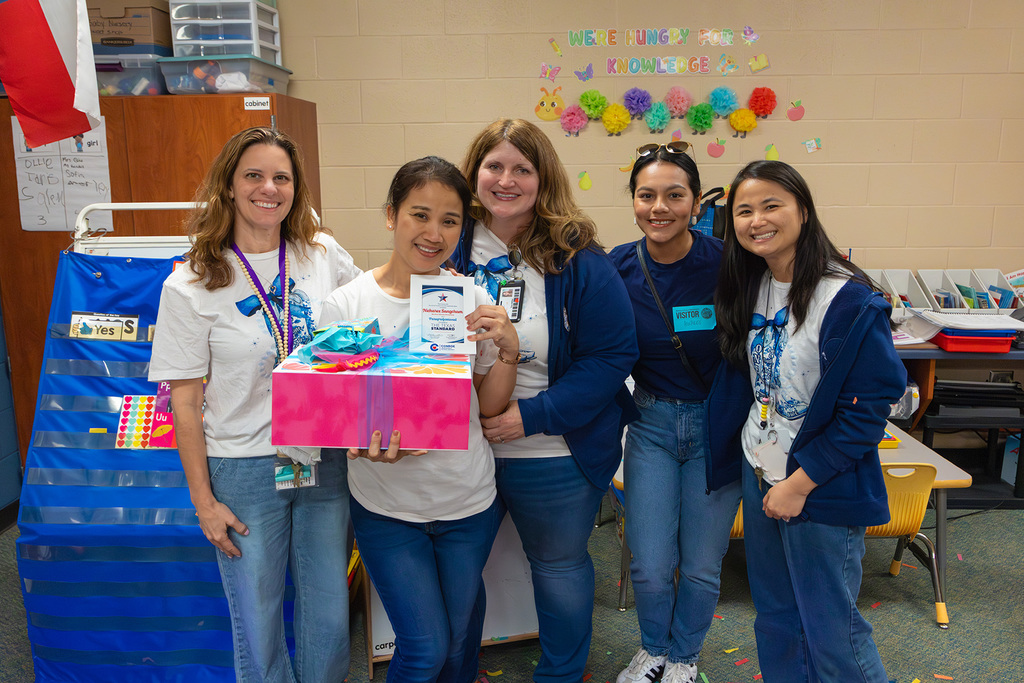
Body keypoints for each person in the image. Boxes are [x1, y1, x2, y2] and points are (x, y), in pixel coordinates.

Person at [148, 127, 361, 681]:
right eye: (254, 175)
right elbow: (185, 406)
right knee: (259, 623)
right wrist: (204, 503)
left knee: (330, 618)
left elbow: (371, 311)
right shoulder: (192, 283)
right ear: (229, 186)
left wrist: (441, 290)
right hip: (243, 467)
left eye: (282, 178)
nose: (269, 188)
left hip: (321, 459)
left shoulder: (320, 255)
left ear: (297, 189)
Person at [319, 156, 519, 683]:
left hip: (467, 501)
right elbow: (333, 418)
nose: (434, 233)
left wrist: (509, 350)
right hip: (387, 508)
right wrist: (362, 443)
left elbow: (489, 407)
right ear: (391, 215)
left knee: (457, 649)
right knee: (424, 649)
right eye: (420, 215)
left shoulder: (469, 297)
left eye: (449, 221)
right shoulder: (346, 305)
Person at [451, 118, 639, 682]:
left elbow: (612, 356)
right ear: (474, 172)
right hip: (458, 448)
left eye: (522, 169)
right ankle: (456, 671)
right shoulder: (446, 241)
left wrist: (529, 417)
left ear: (543, 178)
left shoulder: (576, 258)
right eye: (494, 166)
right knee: (456, 575)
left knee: (557, 568)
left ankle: (561, 675)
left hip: (550, 449)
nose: (506, 180)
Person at [714, 160, 906, 682]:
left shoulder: (847, 299)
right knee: (776, 618)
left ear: (802, 209)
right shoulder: (750, 284)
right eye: (744, 210)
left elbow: (868, 411)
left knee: (831, 628)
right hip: (762, 474)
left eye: (771, 205)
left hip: (820, 484)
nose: (758, 220)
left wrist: (799, 484)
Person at [608, 142, 747, 683]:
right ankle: (653, 651)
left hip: (717, 426)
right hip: (652, 425)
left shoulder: (728, 263)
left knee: (701, 564)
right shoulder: (616, 266)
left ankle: (685, 657)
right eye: (647, 195)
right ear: (634, 201)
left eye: (674, 195)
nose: (658, 207)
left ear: (695, 202)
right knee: (647, 561)